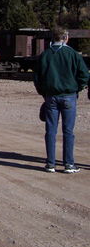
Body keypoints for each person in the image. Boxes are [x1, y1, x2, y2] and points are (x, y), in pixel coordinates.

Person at [34, 27, 88, 174]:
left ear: (52, 38)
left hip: (51, 96)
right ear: (66, 38)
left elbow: (37, 78)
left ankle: (50, 164)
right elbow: (84, 74)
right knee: (68, 131)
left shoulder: (45, 55)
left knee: (50, 130)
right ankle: (69, 164)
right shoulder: (72, 54)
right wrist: (78, 88)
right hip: (69, 96)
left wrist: (43, 93)